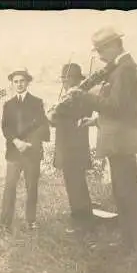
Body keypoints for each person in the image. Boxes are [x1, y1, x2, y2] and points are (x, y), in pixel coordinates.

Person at [65, 27, 137, 254]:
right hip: (120, 139)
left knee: (127, 191)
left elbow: (116, 107)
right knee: (123, 190)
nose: (99, 56)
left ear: (113, 46)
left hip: (120, 141)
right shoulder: (121, 68)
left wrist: (84, 95)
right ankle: (132, 241)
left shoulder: (124, 70)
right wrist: (95, 122)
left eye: (100, 50)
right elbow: (121, 110)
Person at [47, 63, 98, 229]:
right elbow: (55, 121)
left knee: (75, 184)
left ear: (76, 80)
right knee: (74, 183)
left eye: (67, 78)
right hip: (68, 146)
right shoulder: (69, 98)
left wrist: (55, 110)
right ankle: (82, 217)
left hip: (73, 147)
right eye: (63, 78)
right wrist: (57, 108)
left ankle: (82, 221)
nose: (64, 82)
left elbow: (55, 119)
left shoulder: (79, 97)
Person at [0, 67, 50, 233]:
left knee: (31, 187)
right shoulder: (8, 105)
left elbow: (43, 126)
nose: (19, 84)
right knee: (10, 186)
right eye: (16, 81)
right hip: (14, 152)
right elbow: (5, 128)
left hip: (31, 152)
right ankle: (5, 223)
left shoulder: (37, 102)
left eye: (22, 81)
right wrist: (16, 141)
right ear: (12, 84)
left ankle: (31, 221)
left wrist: (30, 143)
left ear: (27, 82)